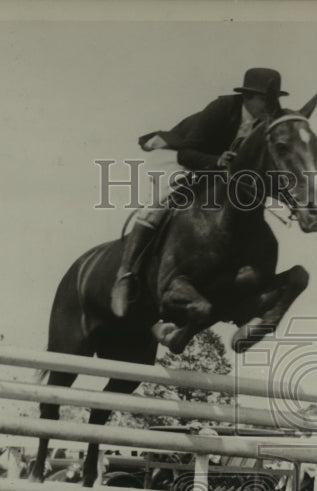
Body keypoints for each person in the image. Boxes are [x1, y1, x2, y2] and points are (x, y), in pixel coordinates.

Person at [110, 68, 290, 318]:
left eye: (274, 100)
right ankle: (125, 274)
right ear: (248, 97)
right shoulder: (222, 109)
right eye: (266, 100)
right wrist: (217, 161)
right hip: (178, 154)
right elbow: (187, 153)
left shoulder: (266, 120)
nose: (271, 106)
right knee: (163, 197)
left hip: (215, 166)